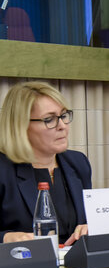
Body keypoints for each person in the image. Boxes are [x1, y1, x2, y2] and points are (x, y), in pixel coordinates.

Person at [0, 81, 90, 245]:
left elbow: (89, 218)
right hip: (23, 266)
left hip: (75, 266)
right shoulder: (3, 170)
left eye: (63, 116)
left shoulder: (78, 162)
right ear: (21, 125)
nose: (62, 126)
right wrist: (6, 237)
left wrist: (89, 227)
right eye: (49, 119)